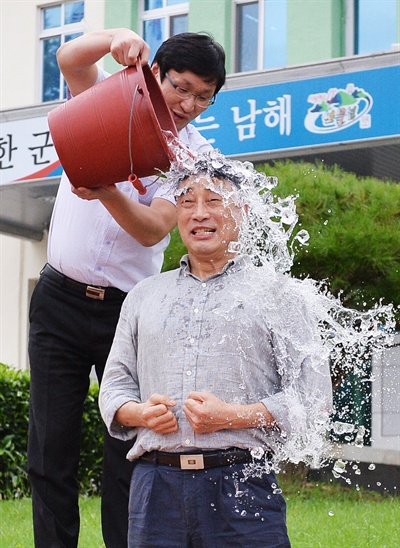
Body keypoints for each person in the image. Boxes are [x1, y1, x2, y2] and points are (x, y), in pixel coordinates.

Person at [28, 28, 226, 548]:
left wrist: (105, 191)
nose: (188, 104)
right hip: (58, 301)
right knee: (50, 450)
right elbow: (68, 58)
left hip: (129, 312)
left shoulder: (192, 157)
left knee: (128, 451)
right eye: (180, 87)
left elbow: (155, 227)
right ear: (154, 73)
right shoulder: (110, 100)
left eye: (203, 97)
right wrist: (114, 37)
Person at [99, 151, 333, 547]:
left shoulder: (279, 295)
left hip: (242, 485)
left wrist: (232, 416)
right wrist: (139, 413)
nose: (199, 213)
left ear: (243, 211)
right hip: (154, 489)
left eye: (214, 200)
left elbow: (313, 399)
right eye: (187, 202)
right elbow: (114, 387)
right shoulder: (144, 295)